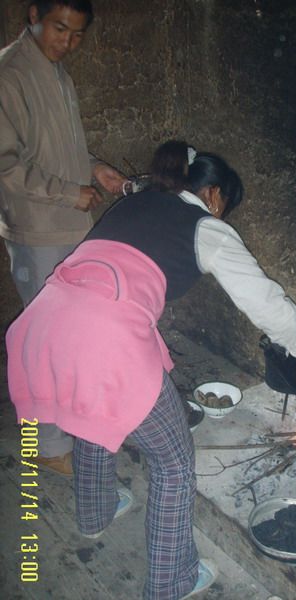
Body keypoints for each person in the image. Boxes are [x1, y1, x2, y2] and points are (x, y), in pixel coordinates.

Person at [6, 146, 296, 599]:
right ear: (213, 194)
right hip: (102, 343)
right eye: (224, 206)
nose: (221, 215)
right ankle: (171, 582)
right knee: (174, 463)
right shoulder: (206, 228)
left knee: (92, 411)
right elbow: (267, 302)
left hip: (43, 324)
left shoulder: (135, 202)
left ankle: (95, 513)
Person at [0, 0, 126, 475]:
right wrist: (69, 193)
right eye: (59, 28)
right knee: (40, 343)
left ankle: (66, 426)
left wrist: (93, 168)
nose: (67, 42)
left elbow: (57, 146)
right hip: (38, 228)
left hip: (69, 225)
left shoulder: (56, 72)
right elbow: (6, 165)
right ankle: (45, 446)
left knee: (65, 336)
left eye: (76, 35)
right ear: (33, 15)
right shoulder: (9, 74)